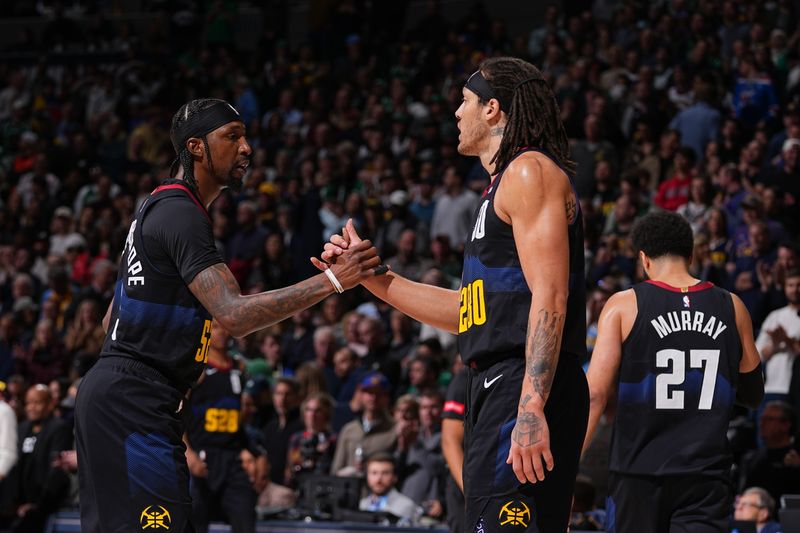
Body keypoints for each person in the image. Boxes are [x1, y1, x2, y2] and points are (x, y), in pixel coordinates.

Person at [74, 98, 381, 533]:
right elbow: (234, 316)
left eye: (245, 136)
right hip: (134, 400)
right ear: (196, 147)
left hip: (119, 393)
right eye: (232, 137)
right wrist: (336, 280)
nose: (246, 148)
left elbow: (111, 321)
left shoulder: (158, 207)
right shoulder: (181, 213)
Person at [318, 57, 589, 532]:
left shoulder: (530, 171)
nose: (456, 114)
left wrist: (530, 406)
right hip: (493, 384)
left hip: (521, 385)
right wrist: (371, 276)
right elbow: (470, 313)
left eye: (464, 102)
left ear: (492, 109)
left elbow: (552, 297)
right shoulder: (500, 189)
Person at [583, 211, 764, 532]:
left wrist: (569, 466)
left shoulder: (624, 304)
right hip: (705, 476)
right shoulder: (732, 306)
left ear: (643, 259)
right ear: (691, 254)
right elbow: (753, 395)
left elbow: (594, 394)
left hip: (638, 472)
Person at [183, 322, 260, 533]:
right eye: (217, 327)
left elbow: (239, 419)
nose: (223, 332)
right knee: (195, 522)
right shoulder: (197, 367)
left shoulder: (239, 368)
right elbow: (177, 412)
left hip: (232, 456)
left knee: (245, 516)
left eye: (226, 326)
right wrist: (188, 452)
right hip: (202, 454)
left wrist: (248, 450)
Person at [359, 452, 423, 526]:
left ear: (394, 477)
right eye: (374, 473)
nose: (378, 479)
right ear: (367, 476)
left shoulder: (406, 506)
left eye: (385, 473)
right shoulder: (361, 505)